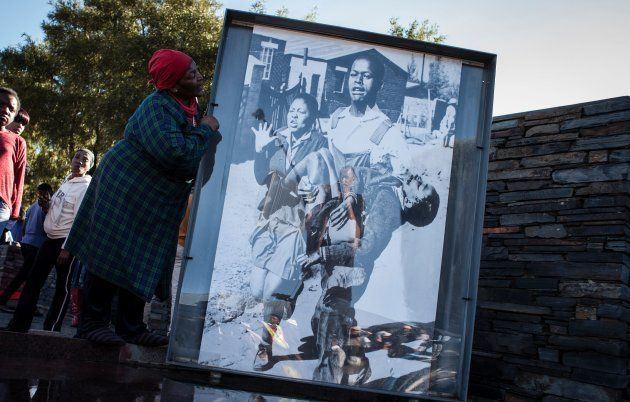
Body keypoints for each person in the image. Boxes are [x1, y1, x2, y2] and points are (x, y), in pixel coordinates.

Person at [65, 49, 221, 347]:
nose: (199, 76)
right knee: (109, 250)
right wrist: (204, 132)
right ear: (174, 84)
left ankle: (131, 327)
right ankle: (92, 323)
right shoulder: (157, 106)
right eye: (190, 73)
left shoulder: (190, 107)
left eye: (197, 69)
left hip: (154, 197)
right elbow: (177, 156)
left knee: (142, 258)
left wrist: (200, 129)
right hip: (124, 187)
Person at [248, 93, 328, 370]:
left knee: (273, 291)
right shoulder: (276, 138)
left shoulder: (320, 144)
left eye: (301, 111)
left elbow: (327, 185)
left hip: (297, 225)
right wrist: (260, 149)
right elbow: (261, 177)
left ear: (312, 117)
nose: (294, 115)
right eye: (292, 110)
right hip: (269, 219)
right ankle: (289, 293)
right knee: (258, 289)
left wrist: (317, 189)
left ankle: (264, 345)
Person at [6, 150, 93, 332]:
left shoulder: (86, 187)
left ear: (89, 166)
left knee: (62, 287)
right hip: (49, 240)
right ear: (71, 160)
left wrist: (66, 248)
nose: (79, 161)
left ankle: (51, 329)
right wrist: (46, 205)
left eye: (85, 160)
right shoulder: (66, 182)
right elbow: (53, 211)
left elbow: (81, 219)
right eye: (77, 157)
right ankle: (18, 325)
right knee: (32, 281)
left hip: (66, 243)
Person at [0, 183, 53, 310]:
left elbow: (24, 226)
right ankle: (19, 303)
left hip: (26, 242)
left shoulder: (31, 207)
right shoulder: (47, 208)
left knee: (26, 275)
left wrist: (24, 239)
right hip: (37, 244)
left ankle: (23, 303)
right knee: (29, 276)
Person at [0, 88, 27, 233]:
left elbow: (19, 178)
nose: (5, 110)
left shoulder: (18, 142)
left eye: (11, 109)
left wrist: (14, 213)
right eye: (1, 104)